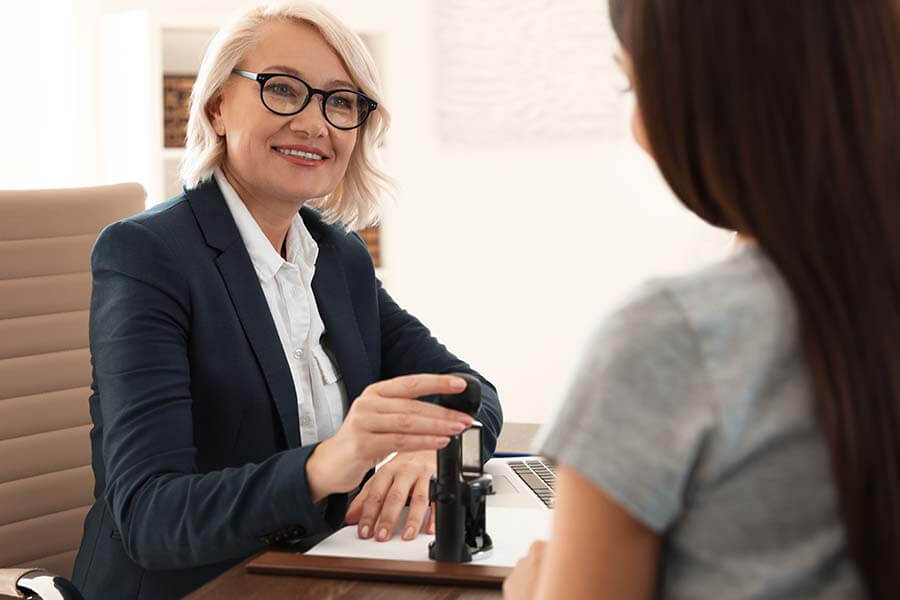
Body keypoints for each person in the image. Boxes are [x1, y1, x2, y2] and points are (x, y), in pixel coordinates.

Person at [71, 3, 502, 598]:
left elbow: (469, 390)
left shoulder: (337, 257)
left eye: (340, 101)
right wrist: (330, 463)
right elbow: (150, 516)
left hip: (314, 576)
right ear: (217, 107)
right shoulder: (147, 255)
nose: (314, 122)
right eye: (282, 89)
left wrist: (441, 455)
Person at [505, 0, 900, 598]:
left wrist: (532, 589)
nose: (638, 129)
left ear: (705, 95)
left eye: (630, 84)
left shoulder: (674, 335)